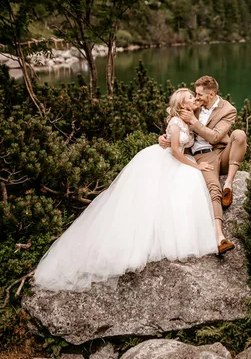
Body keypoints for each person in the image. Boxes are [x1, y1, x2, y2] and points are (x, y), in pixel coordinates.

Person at [34, 88, 218, 292]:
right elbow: (175, 150)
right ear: (182, 105)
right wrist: (196, 166)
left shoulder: (191, 117)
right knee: (159, 196)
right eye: (190, 98)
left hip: (175, 157)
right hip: (163, 159)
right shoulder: (175, 123)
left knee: (177, 191)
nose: (195, 99)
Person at [159, 76, 247, 255]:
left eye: (199, 94)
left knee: (239, 134)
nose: (196, 97)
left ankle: (228, 183)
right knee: (213, 189)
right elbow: (175, 125)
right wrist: (163, 138)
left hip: (221, 150)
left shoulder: (228, 109)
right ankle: (220, 237)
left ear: (212, 94)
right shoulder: (193, 105)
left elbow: (215, 136)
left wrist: (194, 121)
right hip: (202, 156)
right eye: (195, 94)